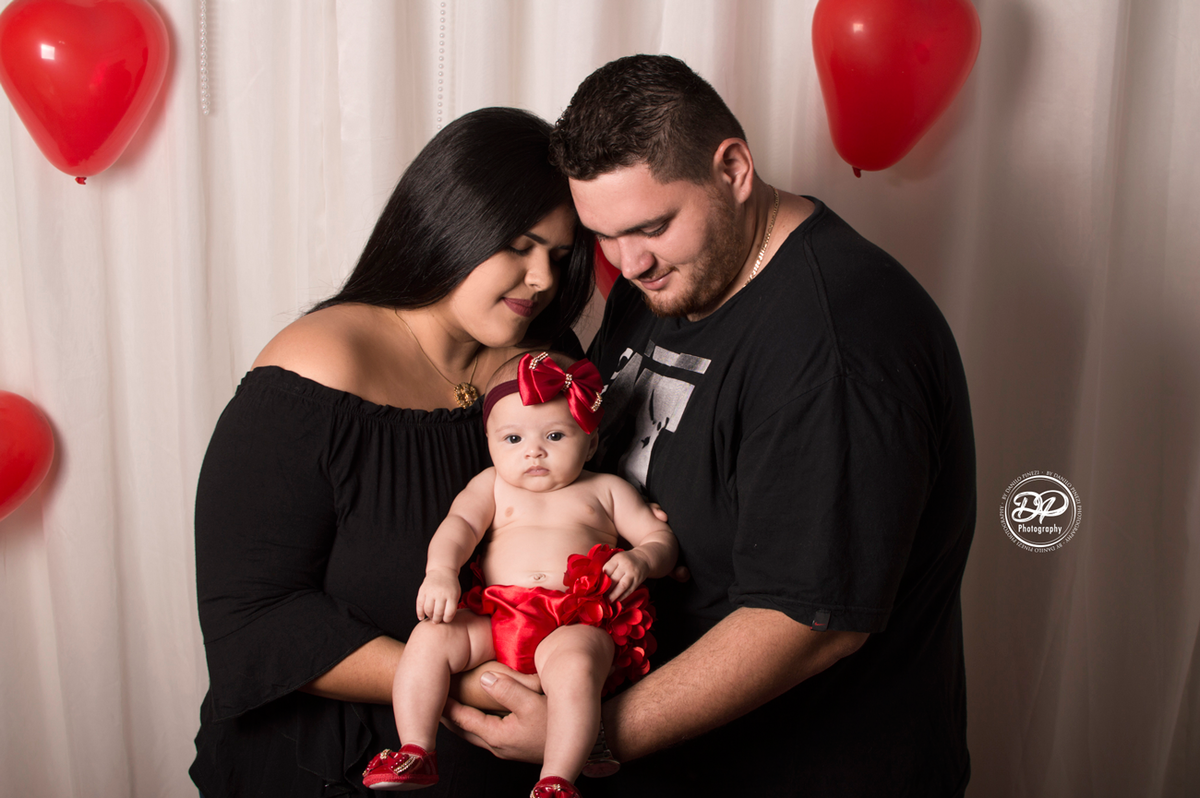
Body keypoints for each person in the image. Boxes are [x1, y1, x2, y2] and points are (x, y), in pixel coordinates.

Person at [444, 55, 976, 797]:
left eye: (650, 226)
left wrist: (592, 734)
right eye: (604, 235)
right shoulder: (668, 274)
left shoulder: (839, 343)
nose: (629, 263)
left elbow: (810, 621)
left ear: (732, 169)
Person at [190, 107, 597, 798]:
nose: (542, 281)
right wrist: (472, 677)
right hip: (331, 767)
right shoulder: (316, 366)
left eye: (558, 258)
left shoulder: (542, 367)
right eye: (520, 247)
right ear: (449, 219)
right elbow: (251, 619)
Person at [361, 351, 677, 796]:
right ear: (488, 440)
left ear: (589, 443)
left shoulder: (606, 489)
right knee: (429, 637)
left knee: (575, 667)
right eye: (512, 438)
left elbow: (660, 539)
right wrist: (440, 572)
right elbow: (459, 528)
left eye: (554, 435)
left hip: (574, 621)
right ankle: (416, 748)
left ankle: (557, 778)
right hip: (498, 618)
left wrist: (643, 558)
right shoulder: (490, 484)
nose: (533, 450)